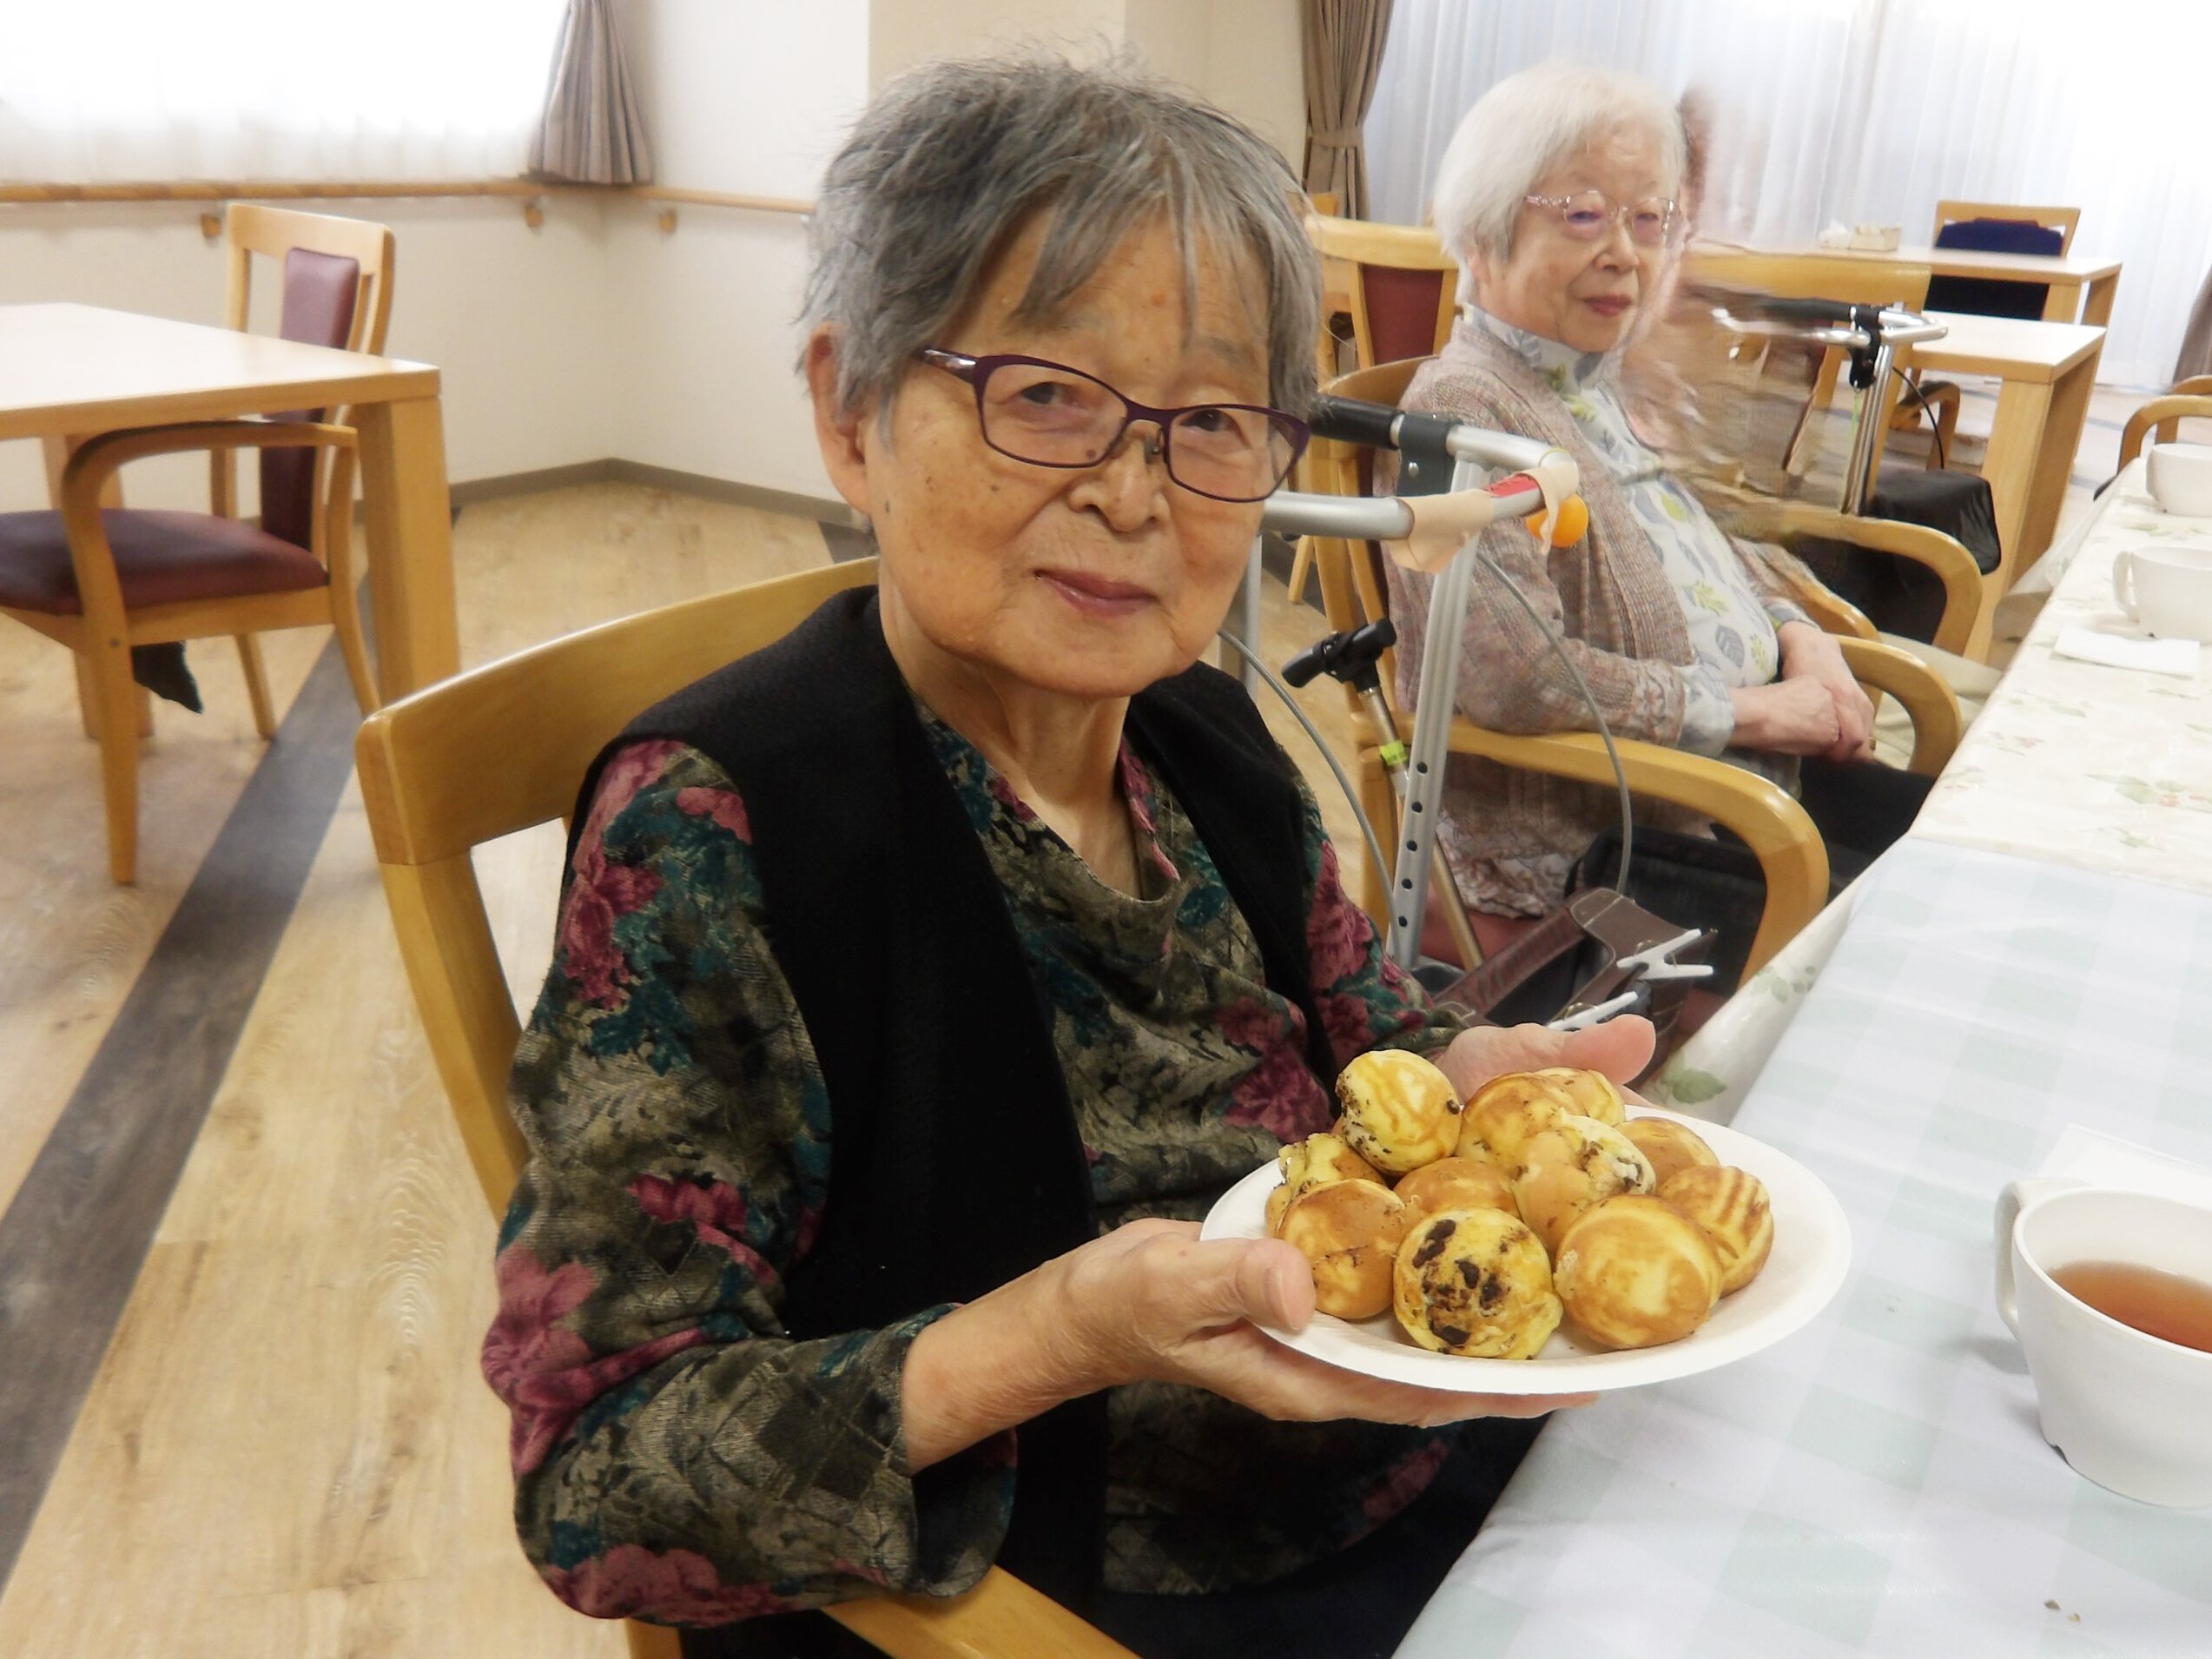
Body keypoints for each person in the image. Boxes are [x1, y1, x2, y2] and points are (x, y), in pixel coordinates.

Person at [485, 55, 1652, 1659]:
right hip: (1072, 1592)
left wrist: (1476, 1077)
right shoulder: (721, 828)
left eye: (1215, 421)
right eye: (1043, 395)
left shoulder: (1203, 737)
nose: (1130, 492)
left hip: (1412, 1439)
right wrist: (1059, 1337)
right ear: (848, 411)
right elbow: (597, 1480)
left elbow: (1366, 1029)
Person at [1387, 62, 1931, 976]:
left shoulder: (1594, 378)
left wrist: (1804, 637)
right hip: (1608, 852)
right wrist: (1756, 713)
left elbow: (1704, 549)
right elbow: (1513, 680)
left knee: (1960, 857)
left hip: (1739, 790)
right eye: (1584, 215)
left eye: (1649, 220)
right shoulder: (1469, 410)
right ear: (1483, 236)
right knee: (1912, 959)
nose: (1627, 254)